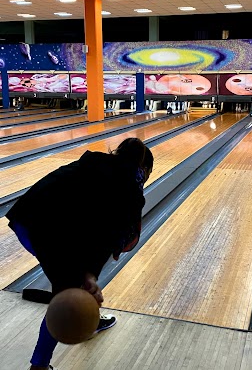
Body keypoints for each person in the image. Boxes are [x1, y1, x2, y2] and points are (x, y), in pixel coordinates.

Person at [5, 137, 154, 370]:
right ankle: (39, 365)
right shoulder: (130, 191)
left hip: (26, 219)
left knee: (74, 282)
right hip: (49, 232)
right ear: (143, 170)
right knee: (67, 295)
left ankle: (87, 317)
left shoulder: (92, 163)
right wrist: (89, 275)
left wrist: (85, 273)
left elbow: (83, 223)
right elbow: (111, 238)